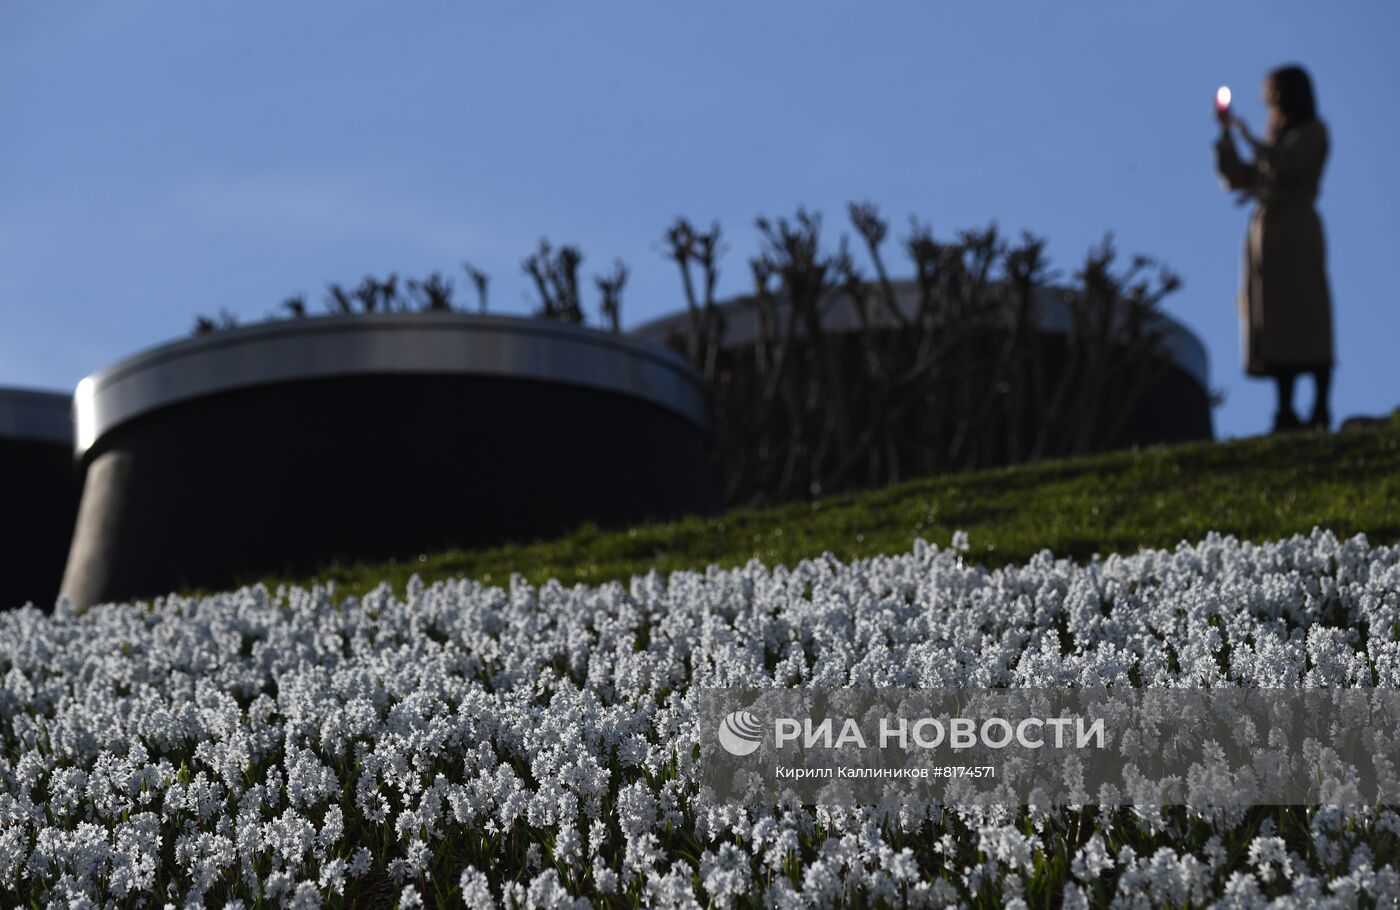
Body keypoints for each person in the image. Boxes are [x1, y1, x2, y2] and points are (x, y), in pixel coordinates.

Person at [1214, 65, 1334, 432]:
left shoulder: (1313, 133)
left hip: (1296, 231)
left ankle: (1319, 407)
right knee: (1276, 319)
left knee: (1307, 315)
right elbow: (1240, 178)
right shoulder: (1274, 139)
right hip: (1267, 236)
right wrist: (1226, 137)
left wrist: (1252, 139)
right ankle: (1284, 410)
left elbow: (1289, 167)